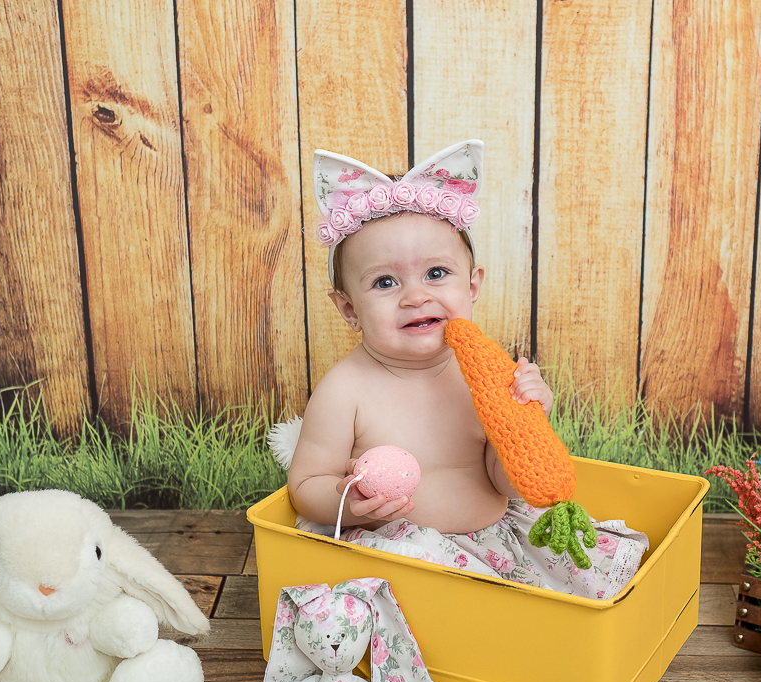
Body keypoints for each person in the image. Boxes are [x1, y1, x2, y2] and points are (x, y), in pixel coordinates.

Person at [277, 140, 646, 600]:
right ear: (349, 309)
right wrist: (352, 504)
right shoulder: (344, 390)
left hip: (495, 544)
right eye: (385, 282)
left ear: (472, 286)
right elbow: (305, 486)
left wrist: (529, 426)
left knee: (576, 580)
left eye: (436, 273)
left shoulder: (492, 377)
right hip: (402, 555)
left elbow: (507, 485)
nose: (415, 296)